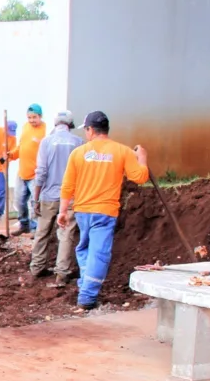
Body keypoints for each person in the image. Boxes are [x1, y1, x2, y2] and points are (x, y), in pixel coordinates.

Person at [58, 111, 150, 310]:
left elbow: (67, 185)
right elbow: (140, 177)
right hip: (105, 212)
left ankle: (86, 286)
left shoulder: (78, 153)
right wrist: (142, 158)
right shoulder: (122, 151)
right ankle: (87, 297)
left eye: (86, 130)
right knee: (98, 254)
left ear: (90, 130)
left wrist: (63, 211)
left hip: (82, 211)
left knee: (85, 249)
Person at [30, 111, 82, 284]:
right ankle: (62, 273)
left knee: (42, 232)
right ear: (71, 124)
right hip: (70, 197)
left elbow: (41, 171)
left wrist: (35, 197)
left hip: (48, 195)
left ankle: (37, 267)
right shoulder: (79, 142)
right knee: (66, 234)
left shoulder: (46, 142)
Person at [11, 104, 47, 235]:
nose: (31, 120)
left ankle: (35, 228)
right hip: (22, 172)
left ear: (40, 116)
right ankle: (24, 224)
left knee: (35, 202)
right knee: (19, 201)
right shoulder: (26, 127)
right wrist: (11, 155)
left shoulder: (45, 130)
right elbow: (21, 146)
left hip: (36, 173)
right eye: (29, 117)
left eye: (34, 117)